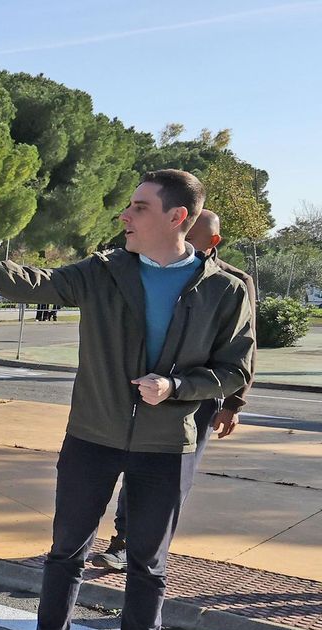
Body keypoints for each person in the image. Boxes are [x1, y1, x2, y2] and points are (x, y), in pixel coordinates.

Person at [0, 169, 254, 630]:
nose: (125, 216)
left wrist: (178, 386)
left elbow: (236, 369)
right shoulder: (106, 271)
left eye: (139, 207)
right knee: (66, 549)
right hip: (92, 433)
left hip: (166, 442)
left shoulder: (225, 288)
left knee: (148, 560)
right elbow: (40, 283)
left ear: (178, 217)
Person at [91, 208, 253, 573]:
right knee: (134, 466)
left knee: (171, 481)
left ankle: (150, 547)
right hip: (144, 391)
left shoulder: (232, 283)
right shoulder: (144, 269)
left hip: (195, 399)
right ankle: (123, 541)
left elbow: (242, 350)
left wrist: (234, 403)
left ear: (213, 243)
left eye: (192, 237)